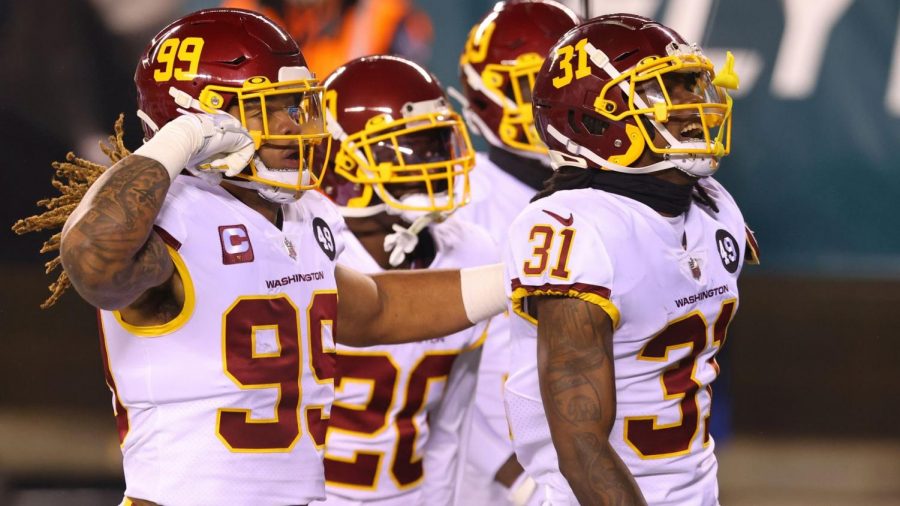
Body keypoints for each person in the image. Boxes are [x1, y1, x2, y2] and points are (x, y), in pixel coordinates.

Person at [33, 9, 505, 506]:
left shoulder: (298, 216)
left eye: (294, 105)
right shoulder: (173, 217)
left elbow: (377, 308)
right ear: (201, 118)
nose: (291, 125)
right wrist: (180, 141)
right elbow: (92, 262)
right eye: (268, 108)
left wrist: (518, 280)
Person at [503, 13, 759, 505]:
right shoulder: (575, 227)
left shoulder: (713, 203)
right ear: (596, 118)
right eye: (667, 91)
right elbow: (581, 444)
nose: (693, 107)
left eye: (692, 87)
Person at [313, 54, 493, 505]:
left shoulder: (471, 250)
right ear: (342, 158)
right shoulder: (306, 251)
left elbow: (450, 425)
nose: (432, 162)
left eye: (435, 144)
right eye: (408, 147)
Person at [450, 2, 580, 504]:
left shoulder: (604, 200)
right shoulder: (464, 201)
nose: (551, 102)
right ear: (485, 95)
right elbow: (449, 377)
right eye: (533, 88)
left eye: (566, 85)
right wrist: (516, 477)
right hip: (482, 476)